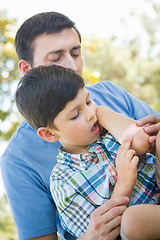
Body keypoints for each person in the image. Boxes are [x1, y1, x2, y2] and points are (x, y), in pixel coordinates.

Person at [1, 11, 160, 240]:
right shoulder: (18, 160)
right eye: (56, 58)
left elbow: (149, 140)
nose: (71, 65)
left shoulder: (107, 95)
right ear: (26, 70)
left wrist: (105, 114)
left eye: (76, 53)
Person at [15, 64, 160, 239]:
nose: (91, 113)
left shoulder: (107, 132)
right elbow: (105, 231)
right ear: (49, 133)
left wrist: (105, 113)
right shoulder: (62, 180)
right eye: (75, 114)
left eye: (88, 101)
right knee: (133, 220)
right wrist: (124, 183)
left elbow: (145, 141)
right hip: (138, 227)